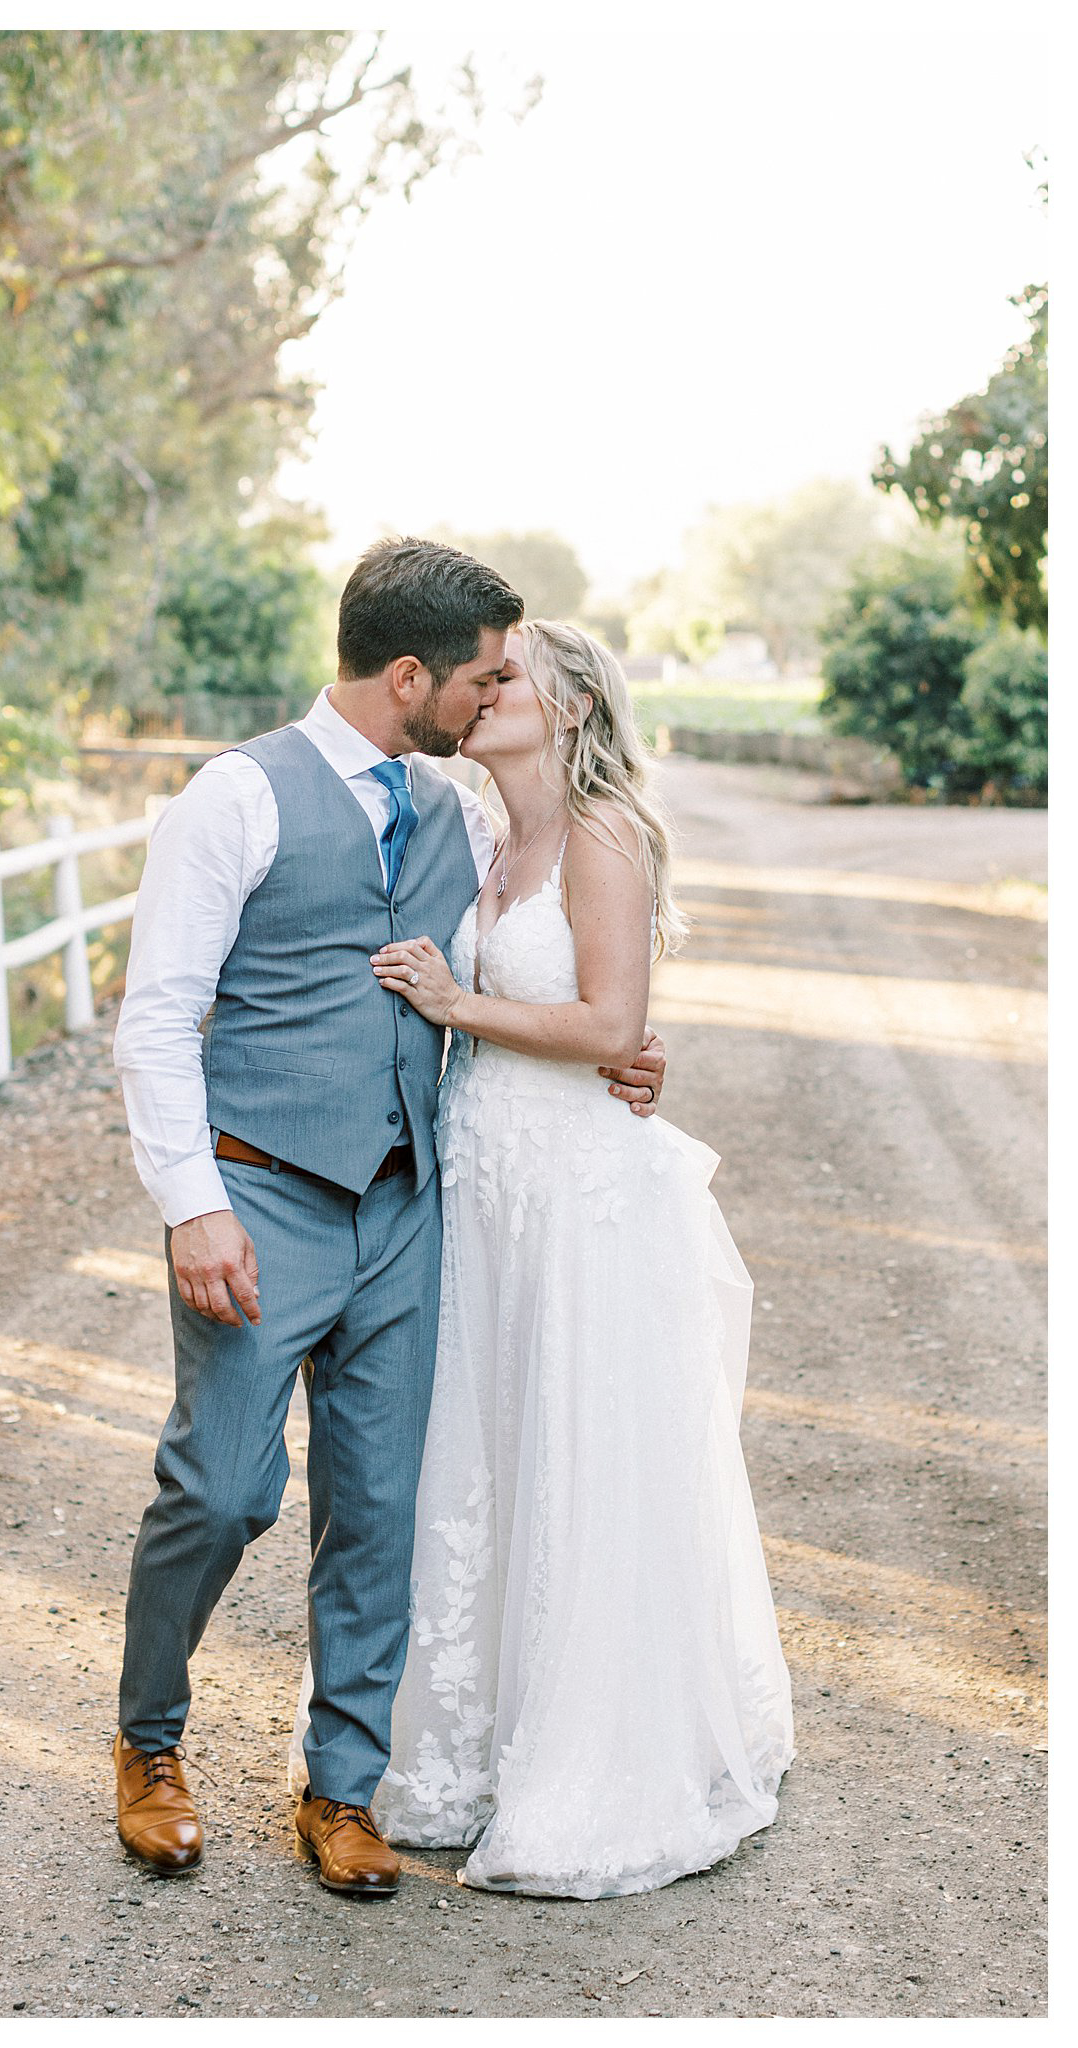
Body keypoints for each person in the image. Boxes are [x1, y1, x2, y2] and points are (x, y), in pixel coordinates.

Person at [111, 541, 668, 1895]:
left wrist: (618, 1049)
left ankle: (343, 1788)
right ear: (408, 675)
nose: (490, 700)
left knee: (378, 1511)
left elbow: (553, 952)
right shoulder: (233, 799)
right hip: (258, 1199)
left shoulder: (462, 812)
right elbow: (157, 1017)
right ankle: (149, 1743)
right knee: (225, 1487)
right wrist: (193, 1207)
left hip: (412, 1209)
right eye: (477, 678)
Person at [303, 617, 793, 1898]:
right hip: (482, 1176)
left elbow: (611, 1019)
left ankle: (588, 1758)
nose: (482, 689)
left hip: (576, 1187)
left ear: (571, 703)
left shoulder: (604, 832)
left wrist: (462, 1005)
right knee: (480, 1443)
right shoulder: (475, 832)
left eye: (506, 674)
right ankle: (455, 1751)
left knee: (576, 1446)